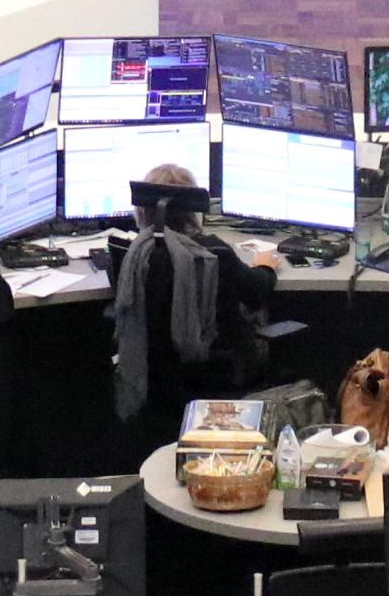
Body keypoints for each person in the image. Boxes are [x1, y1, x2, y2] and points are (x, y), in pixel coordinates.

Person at [110, 164, 281, 427]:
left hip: (156, 376)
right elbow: (255, 292)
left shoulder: (136, 253)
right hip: (221, 372)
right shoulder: (212, 253)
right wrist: (265, 266)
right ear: (193, 211)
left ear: (142, 210)